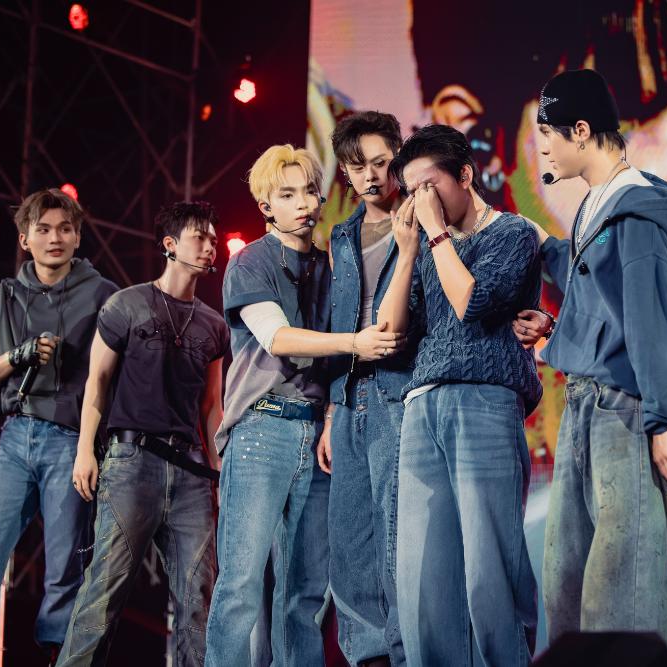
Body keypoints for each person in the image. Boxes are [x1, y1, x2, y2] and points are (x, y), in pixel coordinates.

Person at [205, 144, 400, 666]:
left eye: (310, 191)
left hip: (316, 434)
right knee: (241, 583)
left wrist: (333, 415)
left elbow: (335, 364)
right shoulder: (250, 262)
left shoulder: (333, 266)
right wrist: (355, 343)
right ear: (266, 206)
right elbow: (278, 338)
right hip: (261, 430)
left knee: (306, 593)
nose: (304, 203)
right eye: (288, 195)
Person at [526, 69, 667, 653]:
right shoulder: (595, 205)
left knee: (624, 593)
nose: (543, 149)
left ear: (581, 130)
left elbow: (653, 316)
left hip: (625, 413)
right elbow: (596, 290)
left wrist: (663, 420)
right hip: (585, 408)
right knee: (570, 590)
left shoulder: (635, 210)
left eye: (549, 134)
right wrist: (544, 253)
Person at [379, 123, 542, 666]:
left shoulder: (513, 232)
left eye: (429, 185)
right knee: (422, 581)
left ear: (465, 175)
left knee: (490, 572)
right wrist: (408, 253)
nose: (421, 200)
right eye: (412, 191)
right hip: (421, 405)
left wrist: (435, 237)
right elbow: (391, 332)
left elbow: (471, 303)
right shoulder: (427, 245)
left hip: (485, 402)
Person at [0, 189, 117, 666]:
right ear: (25, 238)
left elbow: (113, 374)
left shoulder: (103, 294)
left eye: (65, 229)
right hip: (16, 436)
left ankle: (58, 653)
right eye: (42, 229)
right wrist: (18, 355)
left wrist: (92, 444)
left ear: (78, 236)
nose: (54, 238)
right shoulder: (4, 295)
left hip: (70, 438)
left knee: (65, 561)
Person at [60, 201, 227, 666]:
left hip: (191, 471)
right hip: (132, 462)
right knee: (103, 591)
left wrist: (217, 469)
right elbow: (97, 383)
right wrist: (85, 451)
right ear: (170, 245)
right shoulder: (126, 304)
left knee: (199, 598)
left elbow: (211, 406)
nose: (210, 247)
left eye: (213, 240)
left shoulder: (214, 325)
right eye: (200, 238)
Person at [321, 111, 411, 667]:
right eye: (358, 168)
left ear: (398, 157)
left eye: (380, 163)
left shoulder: (421, 217)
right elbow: (339, 319)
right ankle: (368, 658)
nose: (371, 176)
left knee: (398, 534)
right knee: (350, 538)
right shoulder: (342, 235)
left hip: (400, 392)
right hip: (351, 395)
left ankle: (406, 653)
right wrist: (333, 409)